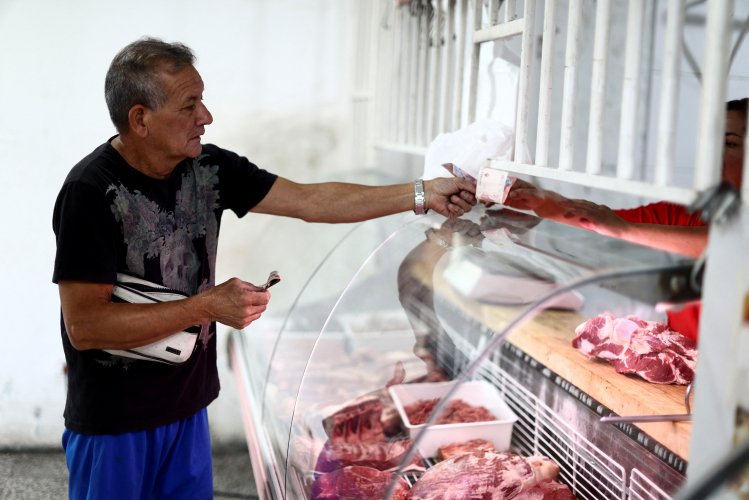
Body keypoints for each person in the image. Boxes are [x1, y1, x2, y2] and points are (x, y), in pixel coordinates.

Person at [52, 37, 477, 499]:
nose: (206, 117)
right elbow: (86, 326)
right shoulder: (90, 191)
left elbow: (311, 200)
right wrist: (206, 307)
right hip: (115, 423)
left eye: (202, 100)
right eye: (189, 105)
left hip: (187, 407)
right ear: (140, 119)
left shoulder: (209, 168)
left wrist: (422, 193)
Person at [502, 97, 747, 342]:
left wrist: (624, 229)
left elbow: (728, 245)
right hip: (685, 358)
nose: (712, 156)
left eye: (729, 143)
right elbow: (599, 224)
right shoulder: (683, 213)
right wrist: (542, 201)